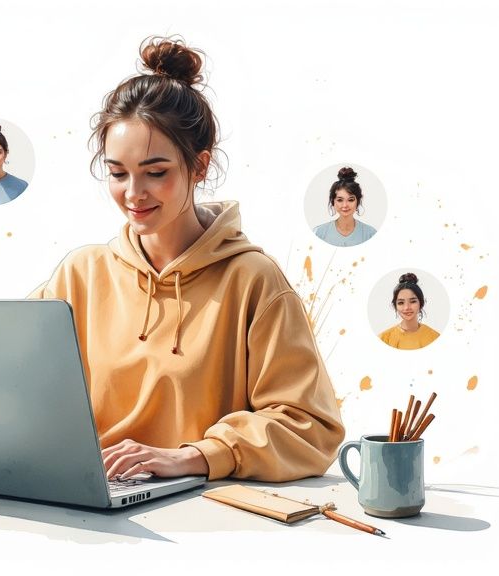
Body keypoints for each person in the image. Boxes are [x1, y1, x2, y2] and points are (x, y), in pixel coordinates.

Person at [29, 37, 344, 483]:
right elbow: (6, 378)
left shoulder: (253, 280)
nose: (133, 194)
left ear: (199, 166)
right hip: (89, 502)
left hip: (200, 513)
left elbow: (310, 428)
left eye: (156, 172)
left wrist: (195, 456)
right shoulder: (81, 274)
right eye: (118, 173)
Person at [312, 167, 378, 247]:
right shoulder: (319, 233)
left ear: (358, 201)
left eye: (350, 200)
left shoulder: (370, 234)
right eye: (340, 200)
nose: (345, 205)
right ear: (333, 202)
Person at [379, 273, 440, 350]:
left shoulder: (435, 338)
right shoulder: (384, 339)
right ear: (395, 306)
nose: (407, 307)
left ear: (421, 303)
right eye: (401, 303)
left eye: (413, 301)